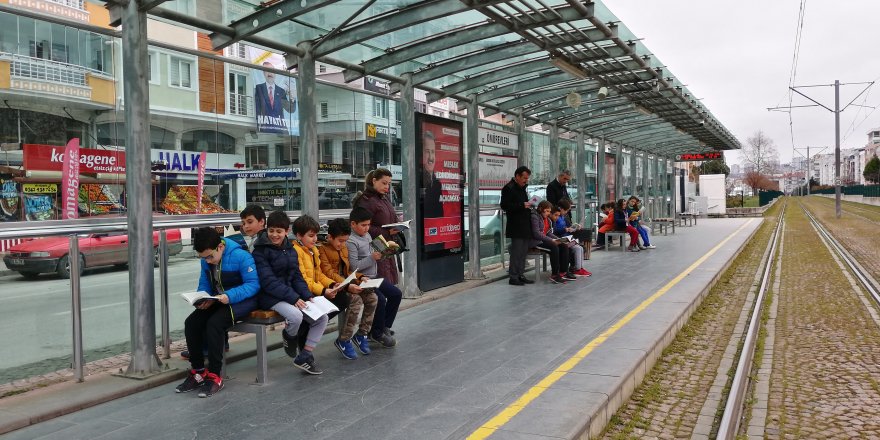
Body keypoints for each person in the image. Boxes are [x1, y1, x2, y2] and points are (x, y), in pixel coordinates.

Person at [175, 227, 260, 397]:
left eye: (209, 256)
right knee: (191, 323)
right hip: (218, 300)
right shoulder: (206, 259)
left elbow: (253, 285)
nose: (207, 261)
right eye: (202, 258)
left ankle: (215, 375)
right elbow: (205, 283)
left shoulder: (241, 256)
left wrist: (229, 295)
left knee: (215, 324)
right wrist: (203, 298)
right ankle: (198, 371)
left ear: (220, 247)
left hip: (243, 301)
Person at [251, 211, 325, 375]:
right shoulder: (259, 251)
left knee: (321, 317)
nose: (274, 235)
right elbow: (268, 282)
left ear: (286, 231)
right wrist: (294, 298)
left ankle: (304, 355)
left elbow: (297, 276)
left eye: (279, 231)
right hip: (269, 297)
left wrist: (307, 296)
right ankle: (289, 336)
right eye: (271, 230)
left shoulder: (290, 249)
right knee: (296, 316)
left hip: (289, 294)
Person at [319, 218, 378, 360]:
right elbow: (329, 273)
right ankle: (344, 339)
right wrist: (347, 285)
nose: (342, 244)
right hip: (333, 286)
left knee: (372, 298)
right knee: (356, 300)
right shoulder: (322, 249)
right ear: (330, 237)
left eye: (345, 241)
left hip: (347, 283)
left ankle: (362, 334)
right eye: (340, 241)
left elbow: (349, 270)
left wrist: (361, 277)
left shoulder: (343, 247)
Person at [347, 206, 402, 348]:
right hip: (363, 279)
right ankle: (376, 333)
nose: (366, 228)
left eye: (368, 225)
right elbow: (354, 267)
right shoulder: (351, 241)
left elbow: (374, 252)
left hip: (374, 275)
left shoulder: (368, 236)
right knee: (381, 299)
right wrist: (372, 258)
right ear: (353, 224)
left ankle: (384, 326)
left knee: (396, 294)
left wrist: (384, 252)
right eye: (363, 225)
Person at [352, 168, 401, 287]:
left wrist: (398, 224)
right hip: (374, 244)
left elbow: (390, 217)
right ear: (374, 181)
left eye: (389, 184)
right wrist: (387, 231)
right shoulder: (366, 200)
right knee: (382, 281)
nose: (387, 187)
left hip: (385, 242)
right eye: (384, 183)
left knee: (390, 281)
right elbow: (363, 227)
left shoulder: (384, 198)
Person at [500, 165, 534, 286]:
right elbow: (504, 206)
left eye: (527, 178)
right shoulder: (508, 188)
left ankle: (520, 274)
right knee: (516, 252)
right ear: (517, 176)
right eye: (524, 178)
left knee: (523, 252)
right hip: (516, 225)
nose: (526, 180)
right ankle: (513, 276)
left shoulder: (522, 188)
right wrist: (521, 205)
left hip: (525, 224)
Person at [531, 201, 575, 284]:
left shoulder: (547, 220)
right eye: (546, 211)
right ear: (541, 209)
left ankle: (563, 272)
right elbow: (536, 234)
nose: (548, 213)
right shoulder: (535, 217)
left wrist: (559, 239)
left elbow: (548, 232)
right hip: (537, 242)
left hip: (545, 239)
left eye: (549, 211)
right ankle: (555, 274)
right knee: (554, 247)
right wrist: (552, 240)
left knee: (564, 245)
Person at [254, 61, 297, 134]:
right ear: (263, 73)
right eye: (267, 71)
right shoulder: (259, 88)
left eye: (272, 71)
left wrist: (293, 99)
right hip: (266, 129)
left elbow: (290, 110)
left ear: (275, 74)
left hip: (281, 129)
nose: (270, 73)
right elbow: (257, 110)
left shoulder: (281, 91)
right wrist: (258, 127)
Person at [551, 205, 591, 277]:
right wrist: (565, 230)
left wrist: (573, 228)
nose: (566, 212)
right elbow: (554, 231)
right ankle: (576, 269)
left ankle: (579, 268)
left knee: (581, 248)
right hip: (561, 238)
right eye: (566, 210)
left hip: (566, 238)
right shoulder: (555, 219)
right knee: (577, 248)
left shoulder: (563, 217)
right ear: (561, 209)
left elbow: (566, 227)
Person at [420, 131, 444, 218]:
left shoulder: (437, 182)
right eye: (427, 151)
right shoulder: (418, 180)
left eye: (433, 152)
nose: (431, 157)